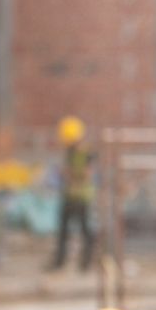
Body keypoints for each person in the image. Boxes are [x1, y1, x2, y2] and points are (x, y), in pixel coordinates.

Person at [48, 115, 97, 272]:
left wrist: (69, 174)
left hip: (81, 197)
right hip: (69, 195)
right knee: (63, 230)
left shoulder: (87, 153)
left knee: (85, 230)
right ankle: (59, 261)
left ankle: (86, 262)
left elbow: (87, 174)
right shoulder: (69, 152)